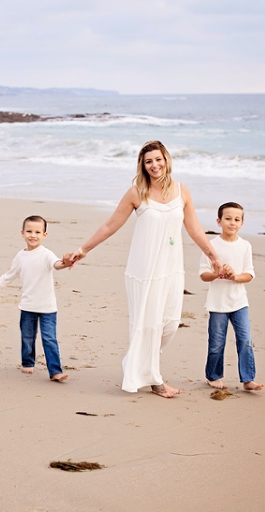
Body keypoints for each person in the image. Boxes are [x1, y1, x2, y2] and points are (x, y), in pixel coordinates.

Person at [65, 140, 223, 398]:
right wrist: (83, 250)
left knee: (170, 324)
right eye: (148, 161)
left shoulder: (182, 191)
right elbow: (110, 225)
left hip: (171, 268)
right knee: (148, 324)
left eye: (158, 159)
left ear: (166, 159)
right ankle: (155, 380)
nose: (154, 165)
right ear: (143, 165)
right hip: (144, 269)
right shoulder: (136, 192)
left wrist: (213, 256)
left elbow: (194, 228)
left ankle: (137, 361)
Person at [0, 215, 70, 382]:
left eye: (38, 232)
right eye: (29, 231)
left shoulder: (46, 254)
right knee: (27, 336)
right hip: (27, 306)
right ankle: (28, 362)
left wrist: (66, 262)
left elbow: (57, 264)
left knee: (49, 339)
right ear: (22, 233)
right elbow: (11, 274)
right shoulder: (20, 256)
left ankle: (55, 371)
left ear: (44, 235)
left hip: (47, 307)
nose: (33, 235)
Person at [199, 202, 263, 391]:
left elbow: (249, 274)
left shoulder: (245, 246)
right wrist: (218, 273)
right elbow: (203, 275)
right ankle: (213, 376)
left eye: (236, 219)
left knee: (245, 340)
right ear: (219, 221)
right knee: (217, 342)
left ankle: (248, 379)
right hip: (217, 303)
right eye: (228, 219)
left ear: (242, 223)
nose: (232, 223)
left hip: (239, 302)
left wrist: (235, 276)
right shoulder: (211, 246)